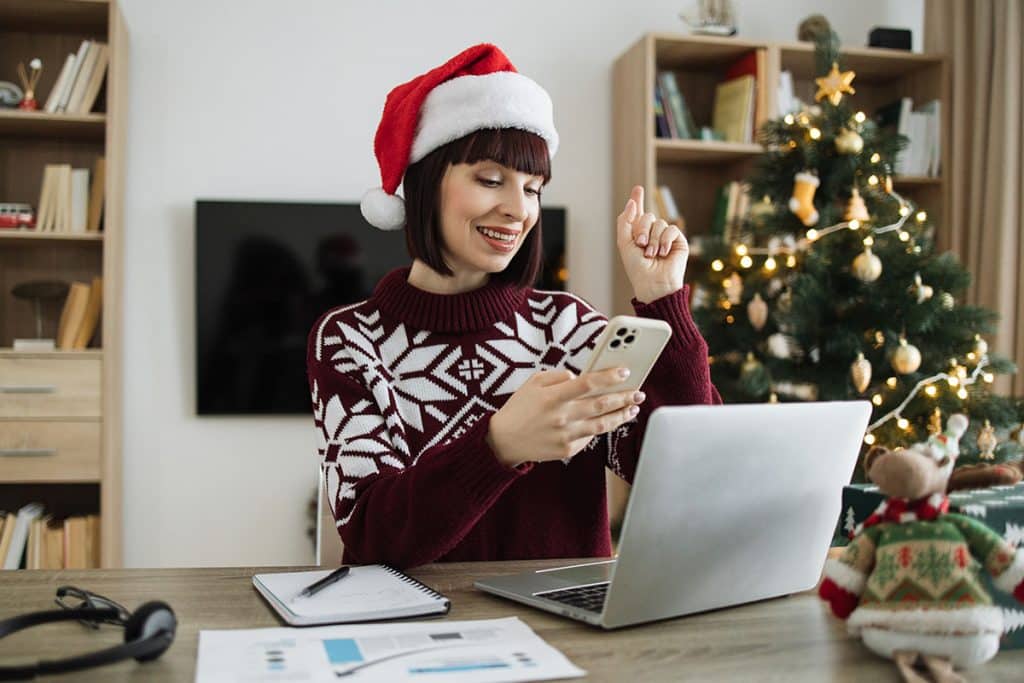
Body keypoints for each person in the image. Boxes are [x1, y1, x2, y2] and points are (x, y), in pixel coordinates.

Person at [307, 44, 721, 569]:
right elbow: (372, 539)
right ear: (425, 184)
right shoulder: (350, 339)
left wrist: (664, 301)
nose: (518, 210)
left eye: (532, 188)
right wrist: (497, 447)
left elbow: (685, 472)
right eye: (489, 180)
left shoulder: (567, 326)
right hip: (417, 630)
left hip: (567, 629)